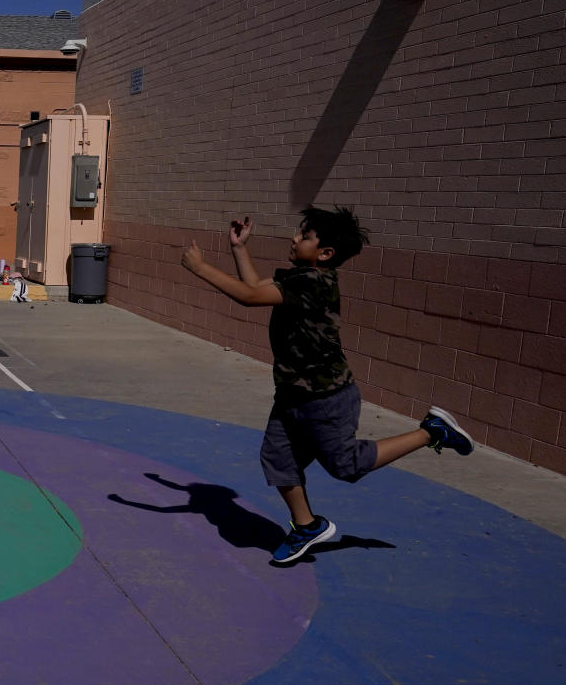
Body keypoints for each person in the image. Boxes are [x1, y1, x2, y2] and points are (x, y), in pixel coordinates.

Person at [180, 208, 474, 565]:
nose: (294, 238)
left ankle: (431, 431)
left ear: (325, 253)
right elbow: (257, 287)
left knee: (346, 466)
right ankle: (306, 526)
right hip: (292, 395)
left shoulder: (315, 284)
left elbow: (248, 297)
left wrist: (199, 267)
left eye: (304, 237)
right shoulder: (302, 277)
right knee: (277, 459)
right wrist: (240, 249)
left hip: (327, 397)